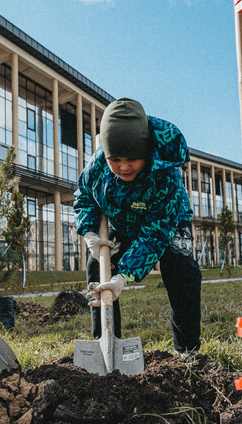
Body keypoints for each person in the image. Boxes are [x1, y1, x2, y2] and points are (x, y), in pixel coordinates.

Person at [74, 97, 201, 356]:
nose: (124, 166)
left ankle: (188, 351)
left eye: (132, 158)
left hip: (168, 221)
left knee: (181, 271)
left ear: (145, 151)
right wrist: (89, 232)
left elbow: (155, 233)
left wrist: (124, 276)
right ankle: (106, 344)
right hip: (122, 219)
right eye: (116, 158)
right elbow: (84, 195)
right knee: (97, 266)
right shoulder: (98, 165)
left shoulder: (166, 177)